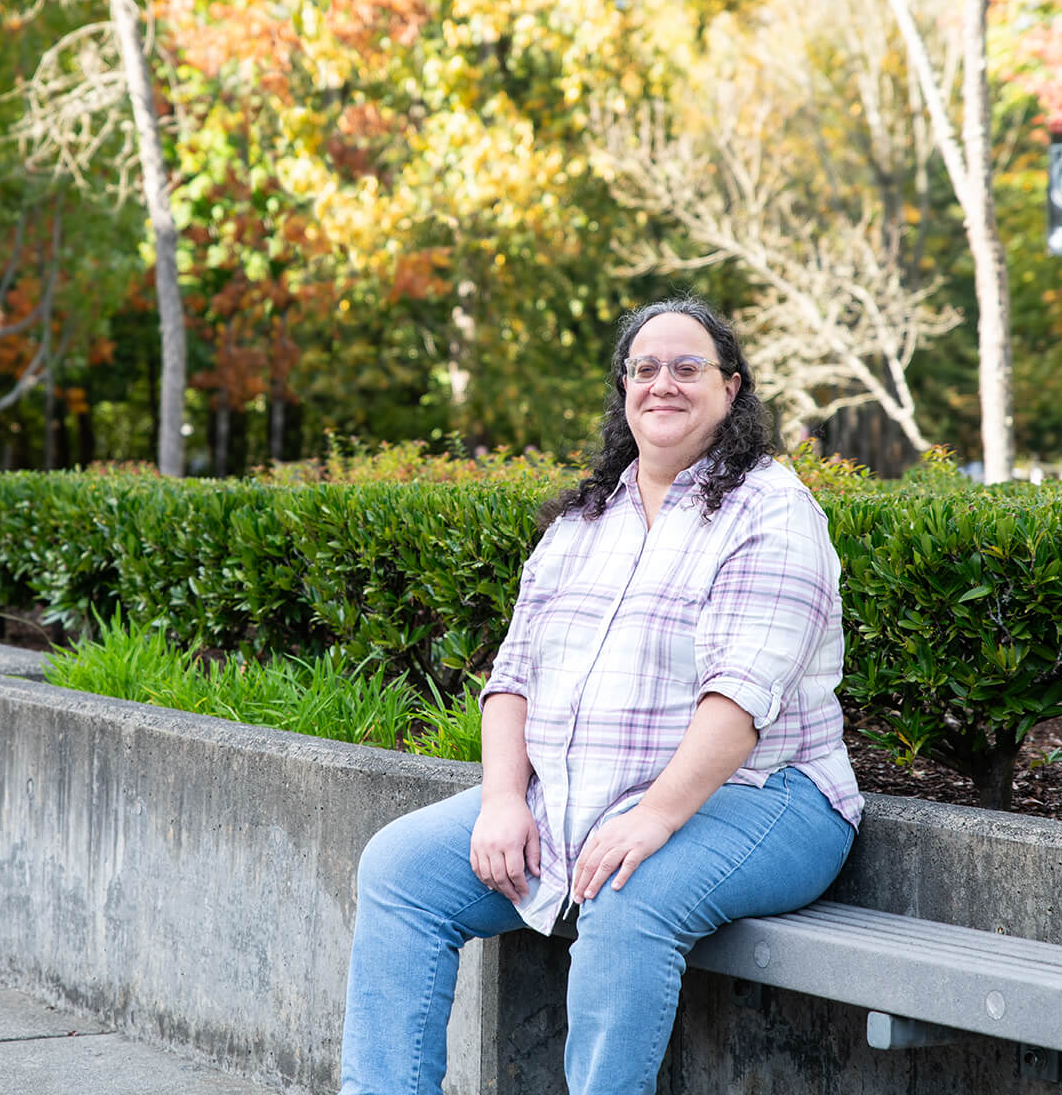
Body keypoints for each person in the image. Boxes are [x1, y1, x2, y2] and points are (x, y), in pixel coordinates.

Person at [339, 295, 863, 1095]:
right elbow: (511, 679)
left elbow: (739, 703)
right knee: (399, 870)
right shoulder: (586, 519)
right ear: (624, 390)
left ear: (732, 388)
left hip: (767, 797)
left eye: (687, 367)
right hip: (585, 796)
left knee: (626, 896)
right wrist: (503, 800)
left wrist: (652, 817)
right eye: (644, 368)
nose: (664, 383)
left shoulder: (772, 510)